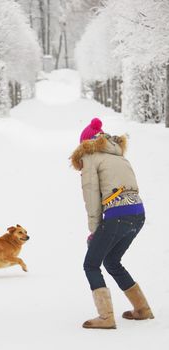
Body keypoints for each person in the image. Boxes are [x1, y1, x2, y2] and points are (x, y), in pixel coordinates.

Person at [70, 118, 154, 329]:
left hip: (117, 215)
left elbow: (91, 196)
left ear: (85, 144)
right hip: (137, 214)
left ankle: (106, 318)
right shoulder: (119, 156)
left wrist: (95, 231)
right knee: (112, 261)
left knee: (91, 264)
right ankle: (142, 309)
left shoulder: (90, 157)